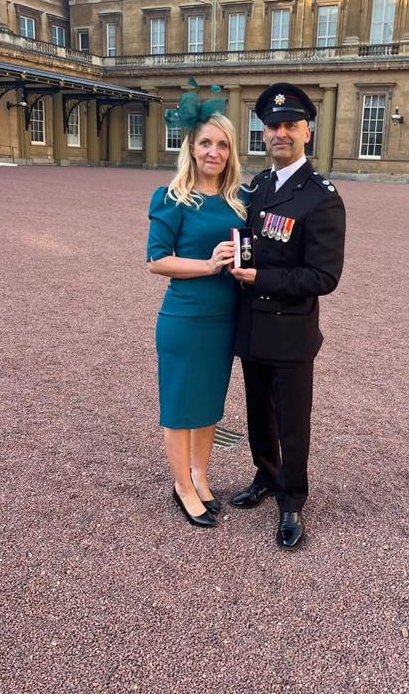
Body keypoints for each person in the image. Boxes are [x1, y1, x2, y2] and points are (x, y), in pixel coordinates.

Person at [230, 82, 346, 549]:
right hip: (253, 327)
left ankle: (293, 499)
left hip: (290, 329)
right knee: (259, 411)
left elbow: (323, 276)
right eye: (272, 125)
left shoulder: (320, 197)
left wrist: (260, 278)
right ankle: (265, 475)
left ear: (307, 133)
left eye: (290, 125)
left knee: (293, 420)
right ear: (263, 133)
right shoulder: (256, 186)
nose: (280, 132)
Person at [147, 95, 247, 529]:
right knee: (179, 406)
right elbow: (156, 259)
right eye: (206, 143)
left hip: (224, 319)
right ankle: (182, 486)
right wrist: (208, 265)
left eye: (222, 145)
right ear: (190, 147)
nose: (214, 152)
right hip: (186, 318)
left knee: (207, 404)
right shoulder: (173, 198)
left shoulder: (237, 200)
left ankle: (201, 476)